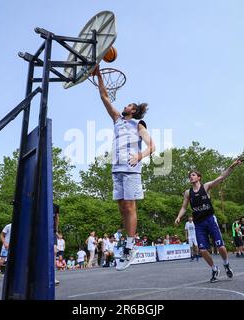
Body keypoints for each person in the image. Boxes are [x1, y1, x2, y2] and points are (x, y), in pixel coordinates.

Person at [93, 65, 156, 271]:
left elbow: (152, 146)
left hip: (131, 168)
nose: (125, 106)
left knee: (130, 206)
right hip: (117, 168)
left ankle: (130, 247)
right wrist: (99, 74)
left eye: (129, 105)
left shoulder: (138, 125)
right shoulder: (117, 120)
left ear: (134, 111)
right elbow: (104, 97)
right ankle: (129, 242)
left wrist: (139, 155)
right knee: (122, 207)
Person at [175, 158, 244, 283]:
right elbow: (184, 207)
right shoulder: (187, 193)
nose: (190, 177)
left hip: (210, 220)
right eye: (189, 176)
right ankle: (214, 269)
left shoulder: (206, 187)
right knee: (202, 250)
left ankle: (226, 264)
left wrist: (232, 166)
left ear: (199, 177)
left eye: (193, 175)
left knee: (221, 247)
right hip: (199, 224)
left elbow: (222, 177)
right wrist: (179, 216)